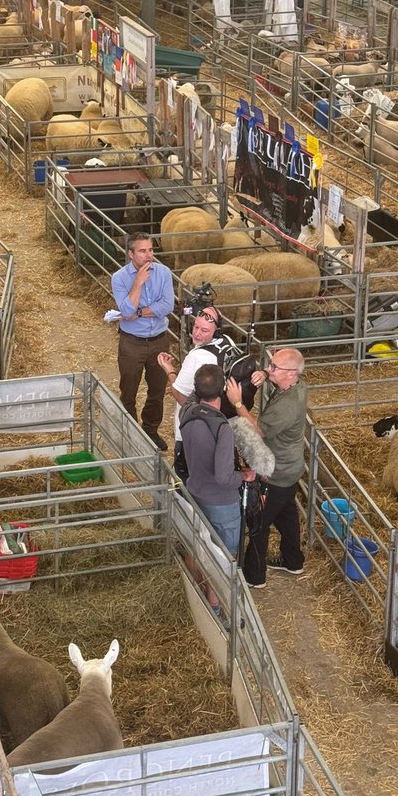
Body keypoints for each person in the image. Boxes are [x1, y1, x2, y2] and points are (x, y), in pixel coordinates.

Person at [226, 347, 307, 588]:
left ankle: (255, 576)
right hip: (291, 467)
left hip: (276, 470)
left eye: (274, 367)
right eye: (270, 364)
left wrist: (237, 402)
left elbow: (259, 430)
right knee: (287, 513)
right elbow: (276, 374)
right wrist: (264, 373)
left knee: (259, 524)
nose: (270, 368)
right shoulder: (297, 385)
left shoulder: (287, 406)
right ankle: (293, 561)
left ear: (291, 373)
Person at [180, 364, 256, 557]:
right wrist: (243, 476)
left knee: (197, 546)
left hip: (195, 492)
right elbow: (223, 477)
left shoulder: (187, 412)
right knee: (224, 557)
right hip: (221, 502)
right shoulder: (222, 427)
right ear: (223, 390)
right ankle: (215, 588)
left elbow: (193, 394)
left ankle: (195, 586)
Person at [111, 232, 175, 451]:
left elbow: (167, 306)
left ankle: (150, 430)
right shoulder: (119, 278)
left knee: (157, 389)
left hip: (159, 340)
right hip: (132, 343)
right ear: (131, 254)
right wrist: (137, 283)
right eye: (142, 251)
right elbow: (125, 310)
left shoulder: (164, 272)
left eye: (150, 250)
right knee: (128, 388)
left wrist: (137, 312)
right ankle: (131, 433)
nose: (149, 255)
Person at [158, 304, 223, 478]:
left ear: (215, 331)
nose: (197, 333)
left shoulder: (196, 357)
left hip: (192, 427)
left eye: (204, 330)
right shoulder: (226, 345)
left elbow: (179, 394)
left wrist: (170, 370)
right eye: (195, 327)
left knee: (186, 480)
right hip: (218, 424)